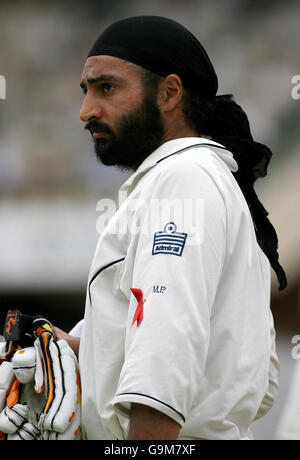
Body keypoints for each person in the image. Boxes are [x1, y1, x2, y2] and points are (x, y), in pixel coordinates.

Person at [55, 15, 287, 440]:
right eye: (86, 91)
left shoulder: (183, 178)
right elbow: (257, 378)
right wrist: (87, 352)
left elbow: (165, 353)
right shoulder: (208, 178)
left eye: (106, 87)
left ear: (169, 92)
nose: (87, 111)